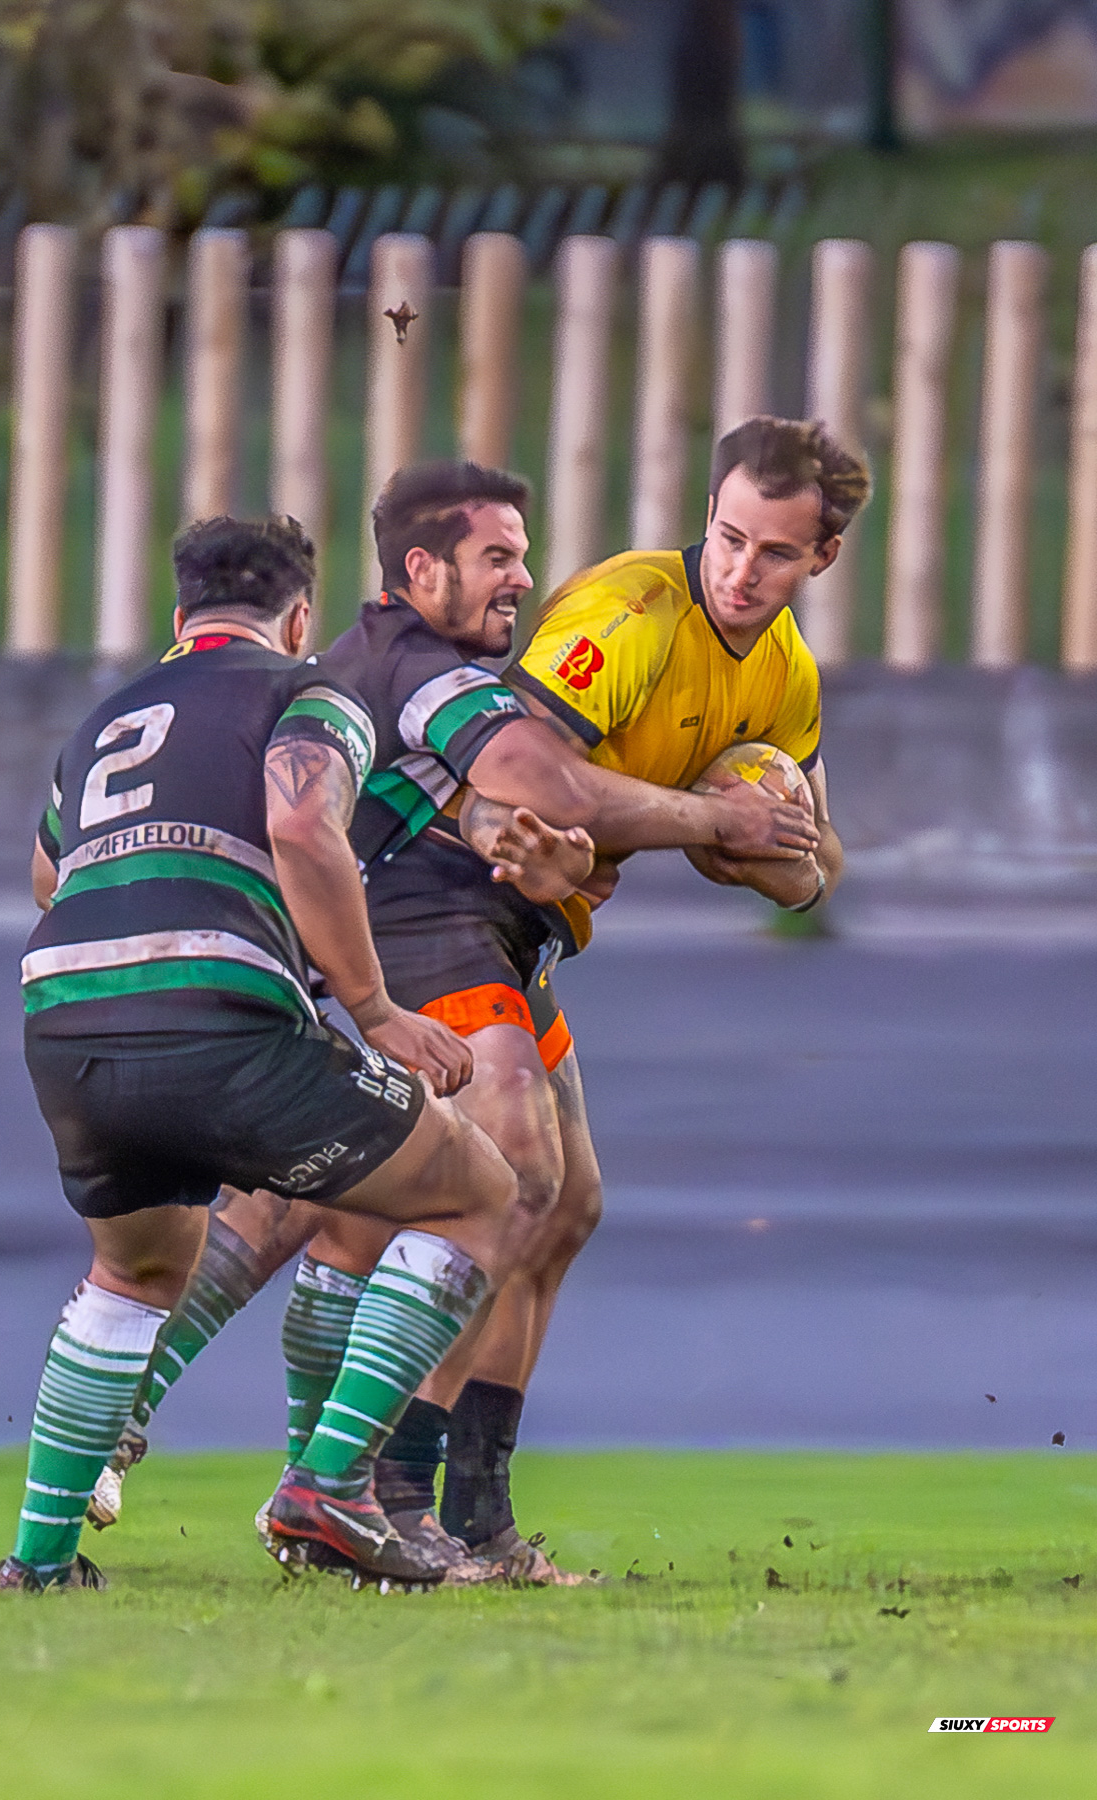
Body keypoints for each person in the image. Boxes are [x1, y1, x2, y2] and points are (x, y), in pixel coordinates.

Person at [92, 428, 844, 1579]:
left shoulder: (784, 673)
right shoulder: (629, 617)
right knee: (483, 1183)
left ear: (823, 557)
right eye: (729, 536)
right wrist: (706, 823)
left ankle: (447, 1508)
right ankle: (371, 1489)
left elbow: (810, 869)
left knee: (510, 1202)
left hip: (512, 923)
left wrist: (762, 840)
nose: (741, 570)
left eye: (776, 553)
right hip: (437, 898)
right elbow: (517, 778)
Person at [0, 514, 569, 1593]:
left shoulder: (103, 720)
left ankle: (39, 1561)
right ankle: (331, 1484)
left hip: (64, 1023)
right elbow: (305, 830)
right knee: (484, 1190)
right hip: (211, 1009)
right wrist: (376, 1010)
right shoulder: (306, 693)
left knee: (134, 1271)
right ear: (301, 616)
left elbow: (45, 876)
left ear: (179, 618)